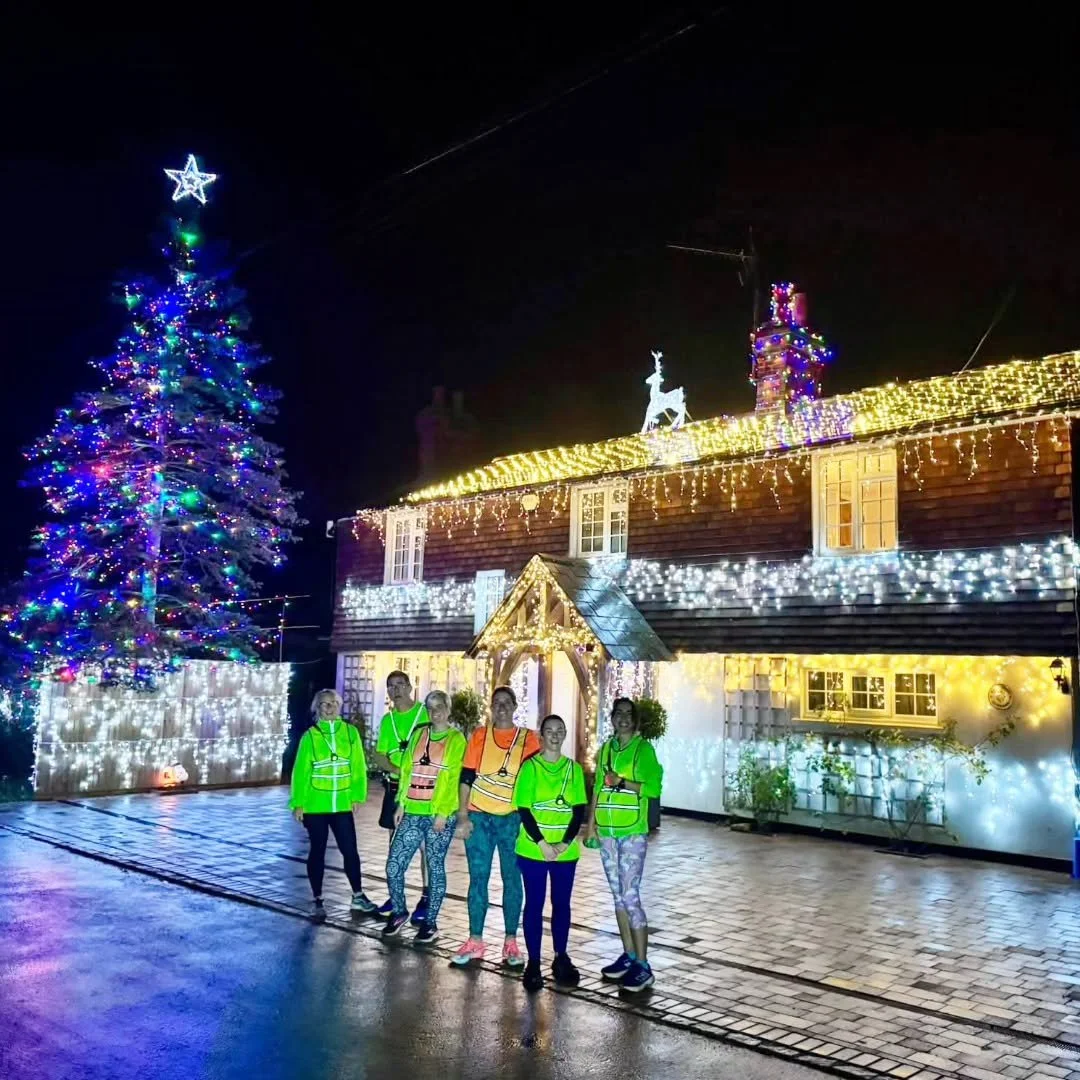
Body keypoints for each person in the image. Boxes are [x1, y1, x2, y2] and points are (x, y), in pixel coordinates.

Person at [453, 686, 541, 968]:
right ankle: (475, 940)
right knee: (478, 878)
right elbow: (466, 777)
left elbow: (534, 782)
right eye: (496, 703)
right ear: (491, 707)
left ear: (515, 706)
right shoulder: (479, 735)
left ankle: (511, 942)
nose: (501, 707)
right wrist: (463, 816)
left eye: (506, 702)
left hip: (512, 820)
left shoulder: (529, 739)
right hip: (479, 818)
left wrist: (533, 822)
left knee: (512, 879)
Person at [584, 696, 663, 992]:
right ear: (612, 718)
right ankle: (629, 956)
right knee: (618, 897)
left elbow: (653, 788)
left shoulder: (643, 750)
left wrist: (621, 782)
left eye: (629, 713)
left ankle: (643, 965)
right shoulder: (606, 749)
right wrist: (591, 826)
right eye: (619, 713)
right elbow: (597, 789)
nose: (624, 718)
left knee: (630, 897)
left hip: (631, 833)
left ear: (635, 719)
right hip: (607, 832)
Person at [512, 713, 588, 992]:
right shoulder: (530, 768)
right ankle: (533, 963)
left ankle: (560, 956)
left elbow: (579, 810)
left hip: (564, 853)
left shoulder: (574, 770)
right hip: (534, 850)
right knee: (534, 904)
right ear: (541, 736)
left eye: (559, 730)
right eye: (549, 730)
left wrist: (565, 843)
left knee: (562, 904)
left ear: (565, 734)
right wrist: (543, 843)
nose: (554, 735)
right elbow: (524, 809)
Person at [383, 689, 466, 944]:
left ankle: (430, 923)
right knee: (394, 865)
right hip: (413, 811)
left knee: (434, 866)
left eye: (440, 706)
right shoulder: (420, 733)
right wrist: (401, 804)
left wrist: (443, 813)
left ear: (448, 709)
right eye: (430, 707)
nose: (435, 712)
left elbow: (454, 779)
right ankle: (399, 911)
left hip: (437, 815)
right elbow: (407, 770)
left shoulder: (456, 739)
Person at [290, 689, 377, 918]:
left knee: (350, 851)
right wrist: (298, 803)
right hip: (315, 805)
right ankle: (317, 899)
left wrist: (357, 796)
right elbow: (301, 771)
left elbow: (358, 766)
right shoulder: (310, 736)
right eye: (324, 704)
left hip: (342, 805)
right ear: (317, 709)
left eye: (333, 703)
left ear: (339, 706)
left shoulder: (350, 732)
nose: (329, 708)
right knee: (317, 850)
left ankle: (358, 896)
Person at [371, 670, 430, 920]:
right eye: (391, 686)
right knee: (395, 843)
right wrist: (397, 770)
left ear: (409, 687)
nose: (395, 690)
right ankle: (396, 895)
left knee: (425, 845)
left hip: (422, 788)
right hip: (395, 787)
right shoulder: (388, 720)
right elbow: (379, 755)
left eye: (400, 685)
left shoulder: (424, 714)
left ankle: (427, 897)